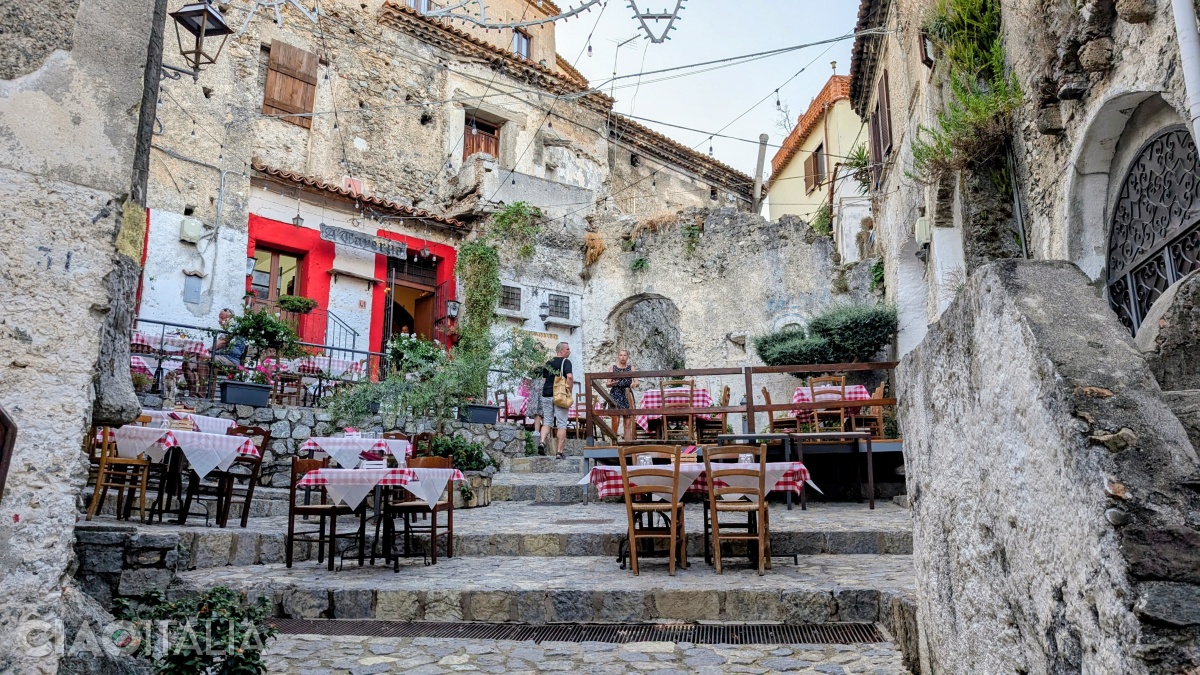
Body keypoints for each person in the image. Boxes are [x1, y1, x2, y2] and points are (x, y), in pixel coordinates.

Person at [539, 342, 573, 459]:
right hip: (559, 395)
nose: (569, 351)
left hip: (546, 394)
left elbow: (544, 380)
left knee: (547, 421)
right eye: (567, 349)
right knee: (562, 423)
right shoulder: (566, 362)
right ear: (561, 351)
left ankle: (542, 442)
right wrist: (569, 390)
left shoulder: (547, 363)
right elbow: (569, 377)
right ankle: (559, 452)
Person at [609, 350, 638, 437]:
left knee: (628, 421)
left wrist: (634, 384)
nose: (622, 357)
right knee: (615, 421)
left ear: (627, 356)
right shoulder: (613, 368)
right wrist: (613, 383)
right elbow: (607, 383)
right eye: (621, 355)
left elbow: (637, 382)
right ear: (618, 356)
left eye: (624, 355)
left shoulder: (631, 368)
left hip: (626, 393)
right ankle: (613, 444)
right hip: (615, 394)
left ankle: (627, 445)